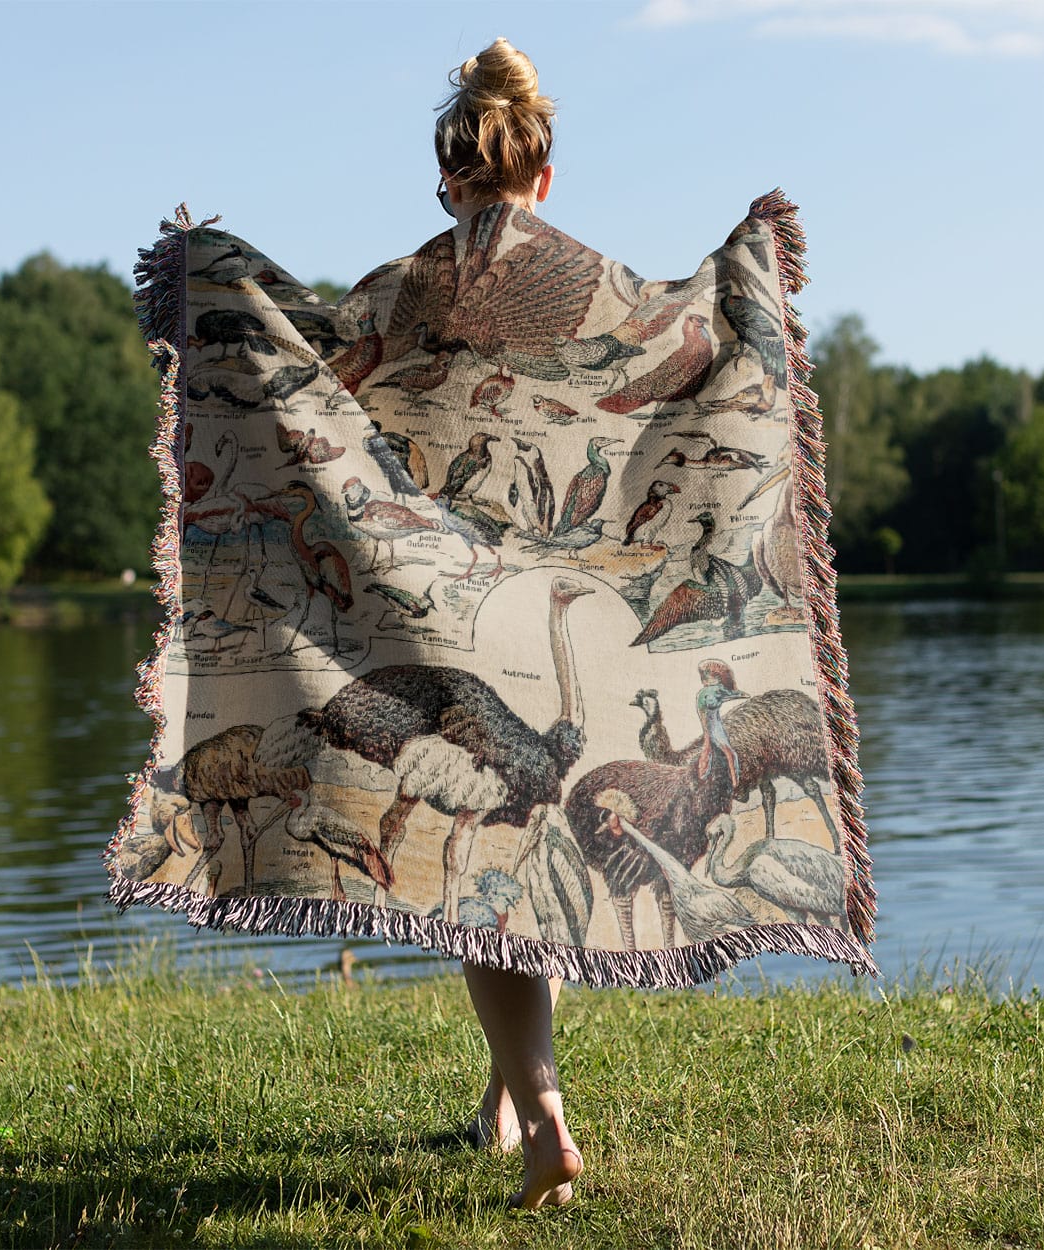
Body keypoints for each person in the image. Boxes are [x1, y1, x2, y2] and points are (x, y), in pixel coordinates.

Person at [432, 38, 582, 1211]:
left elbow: (317, 390)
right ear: (541, 174)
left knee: (483, 875)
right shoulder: (591, 290)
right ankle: (500, 1097)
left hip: (457, 616)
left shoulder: (414, 288)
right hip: (568, 611)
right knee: (530, 860)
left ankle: (543, 1119)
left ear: (451, 180)